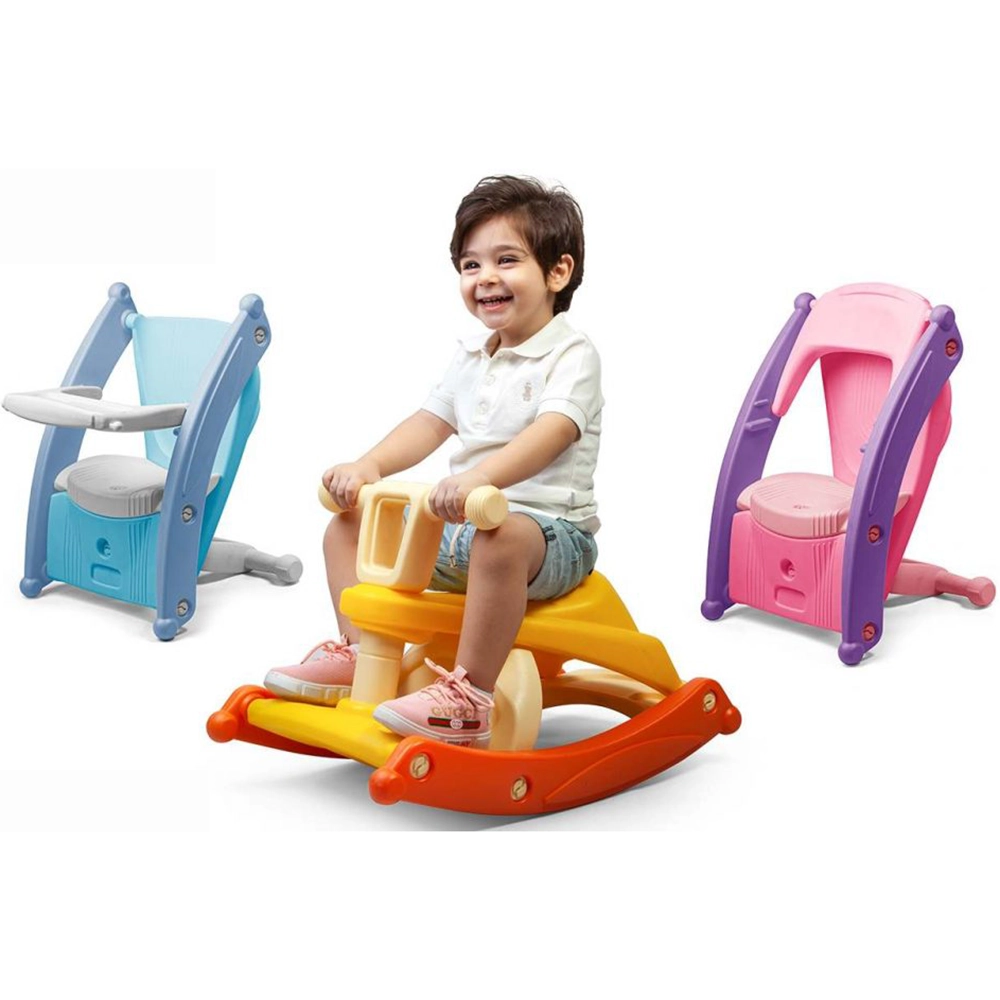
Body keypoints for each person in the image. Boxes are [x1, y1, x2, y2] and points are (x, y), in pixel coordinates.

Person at [264, 175, 602, 747]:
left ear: (557, 272)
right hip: (464, 525)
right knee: (348, 525)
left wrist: (478, 478)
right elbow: (428, 423)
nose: (485, 277)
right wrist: (369, 466)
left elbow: (553, 433)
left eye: (506, 260)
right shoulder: (470, 355)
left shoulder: (571, 354)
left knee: (503, 537)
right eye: (471, 265)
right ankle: (359, 652)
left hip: (548, 537)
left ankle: (470, 698)